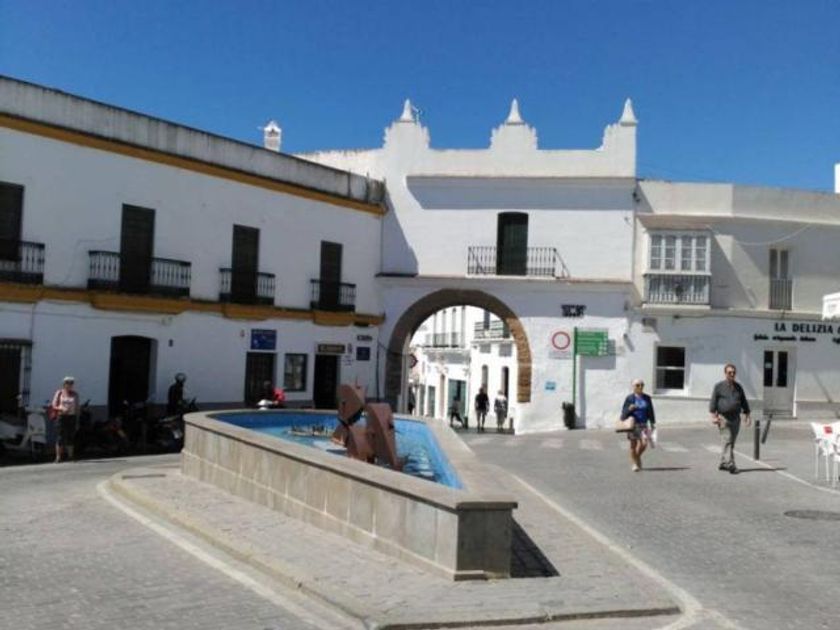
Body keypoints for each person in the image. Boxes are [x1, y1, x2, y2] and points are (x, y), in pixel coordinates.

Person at [709, 363, 751, 474]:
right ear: (725, 373)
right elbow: (713, 402)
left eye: (733, 372)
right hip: (723, 418)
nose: (732, 374)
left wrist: (747, 415)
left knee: (731, 442)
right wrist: (713, 417)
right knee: (727, 440)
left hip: (736, 419)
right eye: (729, 372)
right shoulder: (718, 387)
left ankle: (723, 463)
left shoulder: (738, 387)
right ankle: (731, 464)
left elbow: (744, 402)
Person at [620, 378, 656, 472]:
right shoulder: (630, 398)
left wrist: (652, 422)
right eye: (637, 385)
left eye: (642, 385)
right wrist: (630, 409)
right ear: (633, 387)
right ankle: (634, 464)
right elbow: (623, 413)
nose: (640, 387)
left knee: (644, 444)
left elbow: (651, 411)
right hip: (633, 424)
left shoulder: (647, 398)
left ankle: (637, 457)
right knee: (633, 445)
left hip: (644, 424)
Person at [50, 376, 80, 463]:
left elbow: (77, 407)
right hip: (61, 417)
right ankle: (58, 457)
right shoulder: (59, 393)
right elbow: (53, 405)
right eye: (68, 383)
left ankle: (70, 456)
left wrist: (77, 419)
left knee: (71, 436)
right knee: (60, 437)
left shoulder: (75, 394)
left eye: (71, 383)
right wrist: (61, 409)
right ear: (64, 384)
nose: (70, 385)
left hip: (72, 417)